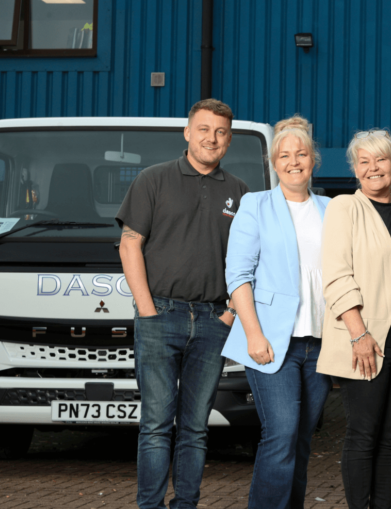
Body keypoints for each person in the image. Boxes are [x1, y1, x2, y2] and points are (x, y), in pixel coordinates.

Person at [117, 98, 249, 509]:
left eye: (221, 132)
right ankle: (150, 506)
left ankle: (186, 503)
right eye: (205, 129)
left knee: (195, 428)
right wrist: (147, 310)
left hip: (213, 321)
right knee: (156, 425)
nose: (212, 138)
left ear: (229, 141)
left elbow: (250, 259)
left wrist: (229, 313)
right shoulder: (152, 180)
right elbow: (130, 244)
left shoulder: (241, 193)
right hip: (161, 316)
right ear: (188, 132)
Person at [222, 116, 332, 509]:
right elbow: (237, 275)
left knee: (301, 438)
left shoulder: (331, 208)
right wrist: (253, 334)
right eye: (284, 155)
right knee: (281, 432)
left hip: (319, 345)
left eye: (301, 153)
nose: (293, 161)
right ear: (273, 162)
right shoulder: (256, 204)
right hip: (270, 341)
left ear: (313, 159)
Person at [317, 130, 391, 509]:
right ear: (355, 170)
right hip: (366, 341)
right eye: (364, 161)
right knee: (363, 434)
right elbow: (336, 274)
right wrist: (358, 334)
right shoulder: (344, 208)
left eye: (380, 159)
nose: (373, 168)